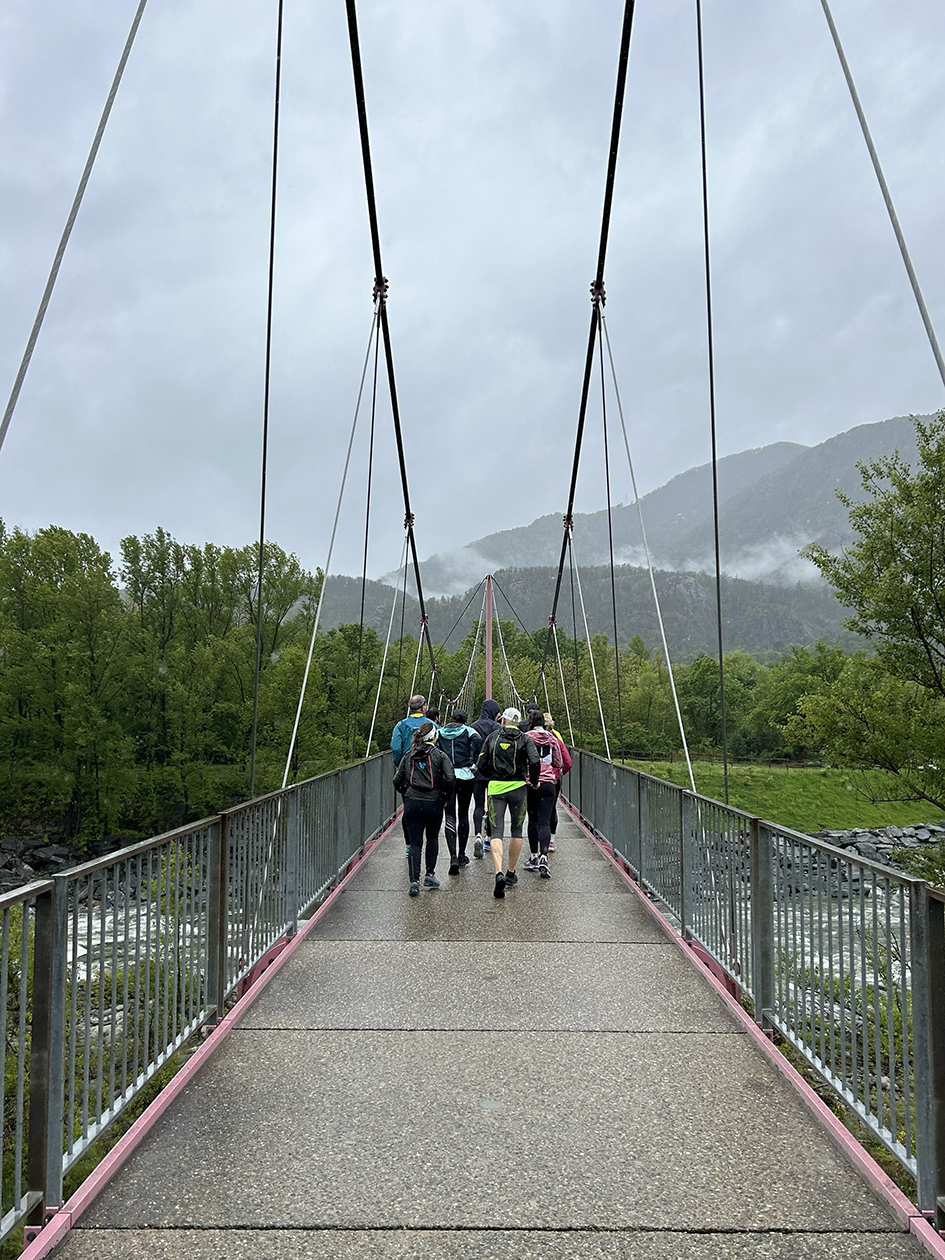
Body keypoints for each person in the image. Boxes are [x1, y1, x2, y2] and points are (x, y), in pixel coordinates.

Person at [476, 707, 540, 899]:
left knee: (496, 832)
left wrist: (491, 777)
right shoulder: (525, 739)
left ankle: (498, 873)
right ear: (519, 722)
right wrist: (534, 781)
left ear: (503, 720)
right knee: (517, 830)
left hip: (496, 788)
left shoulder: (492, 737)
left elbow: (480, 763)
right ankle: (511, 872)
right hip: (519, 788)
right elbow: (535, 761)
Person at [392, 722, 455, 897]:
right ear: (435, 737)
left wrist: (407, 792)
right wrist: (445, 797)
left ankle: (413, 880)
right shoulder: (440, 756)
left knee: (415, 842)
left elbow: (397, 780)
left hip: (413, 802)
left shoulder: (409, 754)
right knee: (432, 837)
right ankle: (430, 874)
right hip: (434, 802)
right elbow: (450, 778)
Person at [436, 710, 482, 874]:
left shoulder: (439, 732)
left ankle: (453, 856)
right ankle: (462, 855)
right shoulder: (469, 731)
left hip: (446, 777)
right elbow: (479, 741)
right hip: (465, 775)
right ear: (464, 720)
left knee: (449, 815)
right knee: (463, 814)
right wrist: (474, 762)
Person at [390, 695, 435, 852]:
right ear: (423, 708)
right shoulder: (432, 725)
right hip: (429, 774)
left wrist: (398, 765)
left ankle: (410, 844)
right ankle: (430, 841)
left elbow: (395, 748)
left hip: (408, 773)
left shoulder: (401, 725)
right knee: (430, 807)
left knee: (408, 808)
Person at [522, 710, 563, 878]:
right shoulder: (552, 739)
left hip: (531, 783)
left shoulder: (525, 737)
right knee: (545, 822)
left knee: (533, 820)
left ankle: (533, 857)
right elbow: (558, 762)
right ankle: (544, 857)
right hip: (548, 784)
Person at [470, 699, 501, 857]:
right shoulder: (497, 727)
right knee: (493, 805)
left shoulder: (473, 727)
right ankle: (489, 837)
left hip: (477, 772)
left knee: (478, 805)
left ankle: (477, 835)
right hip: (494, 773)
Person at [544, 712, 572, 851]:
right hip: (553, 779)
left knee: (536, 809)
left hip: (536, 779)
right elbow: (566, 761)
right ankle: (552, 840)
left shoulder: (530, 737)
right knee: (552, 807)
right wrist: (558, 774)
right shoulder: (557, 737)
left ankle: (539, 839)